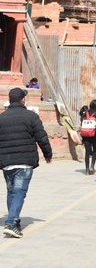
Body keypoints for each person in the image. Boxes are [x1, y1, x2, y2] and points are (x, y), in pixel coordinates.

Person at [0, 88, 52, 238]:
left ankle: (14, 221)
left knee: (12, 192)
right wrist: (47, 154)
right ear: (22, 99)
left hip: (6, 163)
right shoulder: (31, 117)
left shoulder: (1, 118)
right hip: (24, 162)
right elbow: (42, 137)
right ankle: (11, 224)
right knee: (19, 192)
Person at [80, 99, 96, 175]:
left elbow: (82, 123)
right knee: (95, 150)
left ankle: (86, 169)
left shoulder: (85, 113)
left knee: (87, 152)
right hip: (94, 135)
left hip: (85, 135)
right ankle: (92, 166)